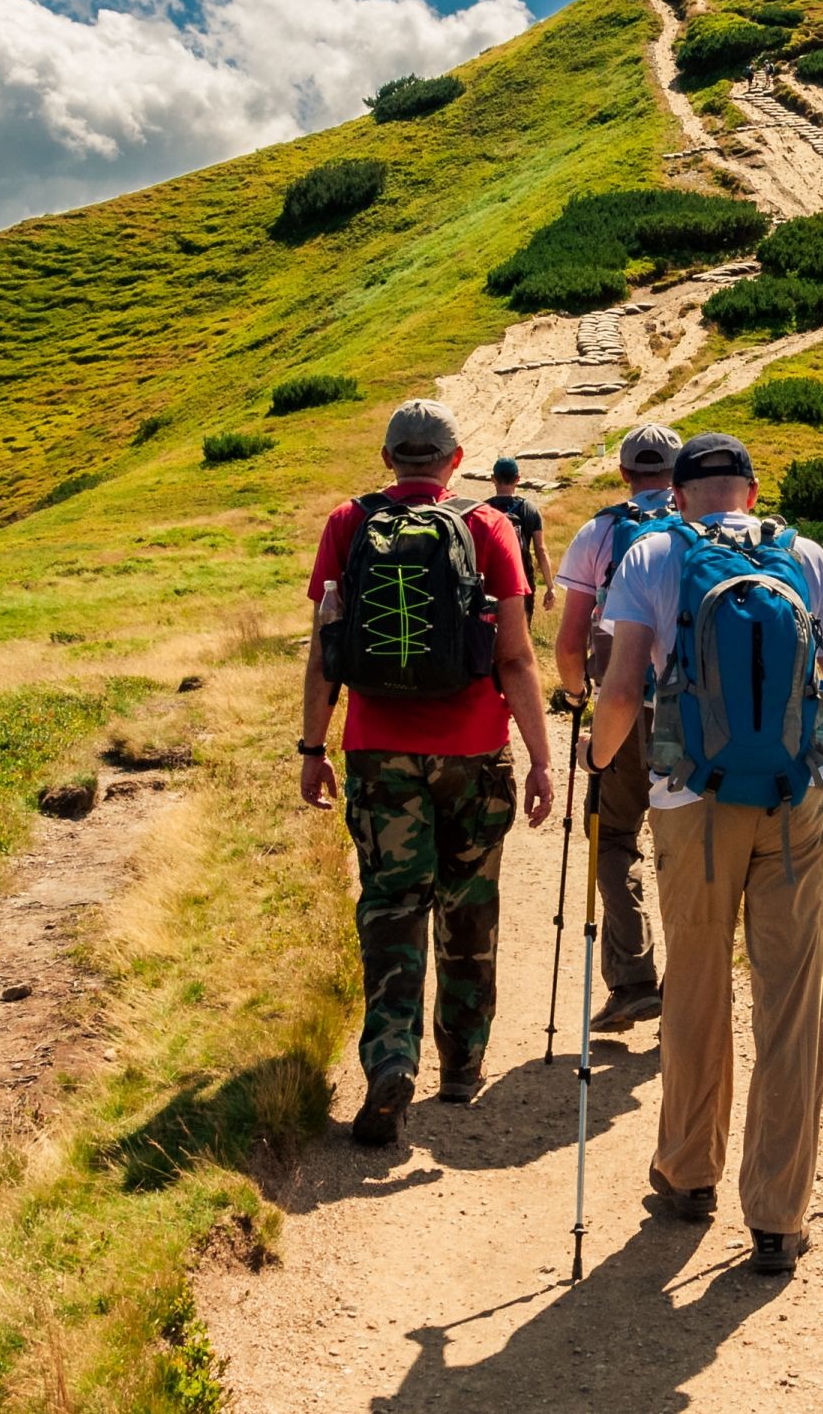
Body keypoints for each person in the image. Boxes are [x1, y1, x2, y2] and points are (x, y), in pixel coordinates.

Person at [585, 432, 823, 1275]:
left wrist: (599, 761)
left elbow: (625, 686)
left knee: (698, 986)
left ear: (677, 493)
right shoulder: (804, 554)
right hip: (796, 804)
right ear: (751, 488)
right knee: (791, 998)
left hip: (689, 803)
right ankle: (778, 1216)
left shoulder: (651, 554)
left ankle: (687, 1172)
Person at [300, 399, 555, 1148]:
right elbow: (514, 655)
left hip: (378, 750)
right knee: (468, 903)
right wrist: (541, 757)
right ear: (455, 458)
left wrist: (314, 748)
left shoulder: (349, 523)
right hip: (474, 751)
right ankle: (463, 1065)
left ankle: (389, 1058)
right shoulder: (487, 525)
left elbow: (324, 649)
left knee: (390, 905)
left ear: (389, 459)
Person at [551, 423, 682, 1032]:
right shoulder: (701, 526)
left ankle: (633, 981)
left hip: (625, 706)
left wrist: (578, 694)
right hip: (694, 710)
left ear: (625, 471)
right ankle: (691, 994)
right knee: (688, 847)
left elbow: (572, 641)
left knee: (615, 837)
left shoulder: (600, 531)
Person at [483, 458, 551, 613]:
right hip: (522, 581)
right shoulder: (530, 510)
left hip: (490, 583)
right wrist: (550, 586)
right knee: (522, 631)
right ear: (518, 479)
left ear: (493, 479)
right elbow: (541, 550)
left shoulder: (483, 510)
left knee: (489, 633)